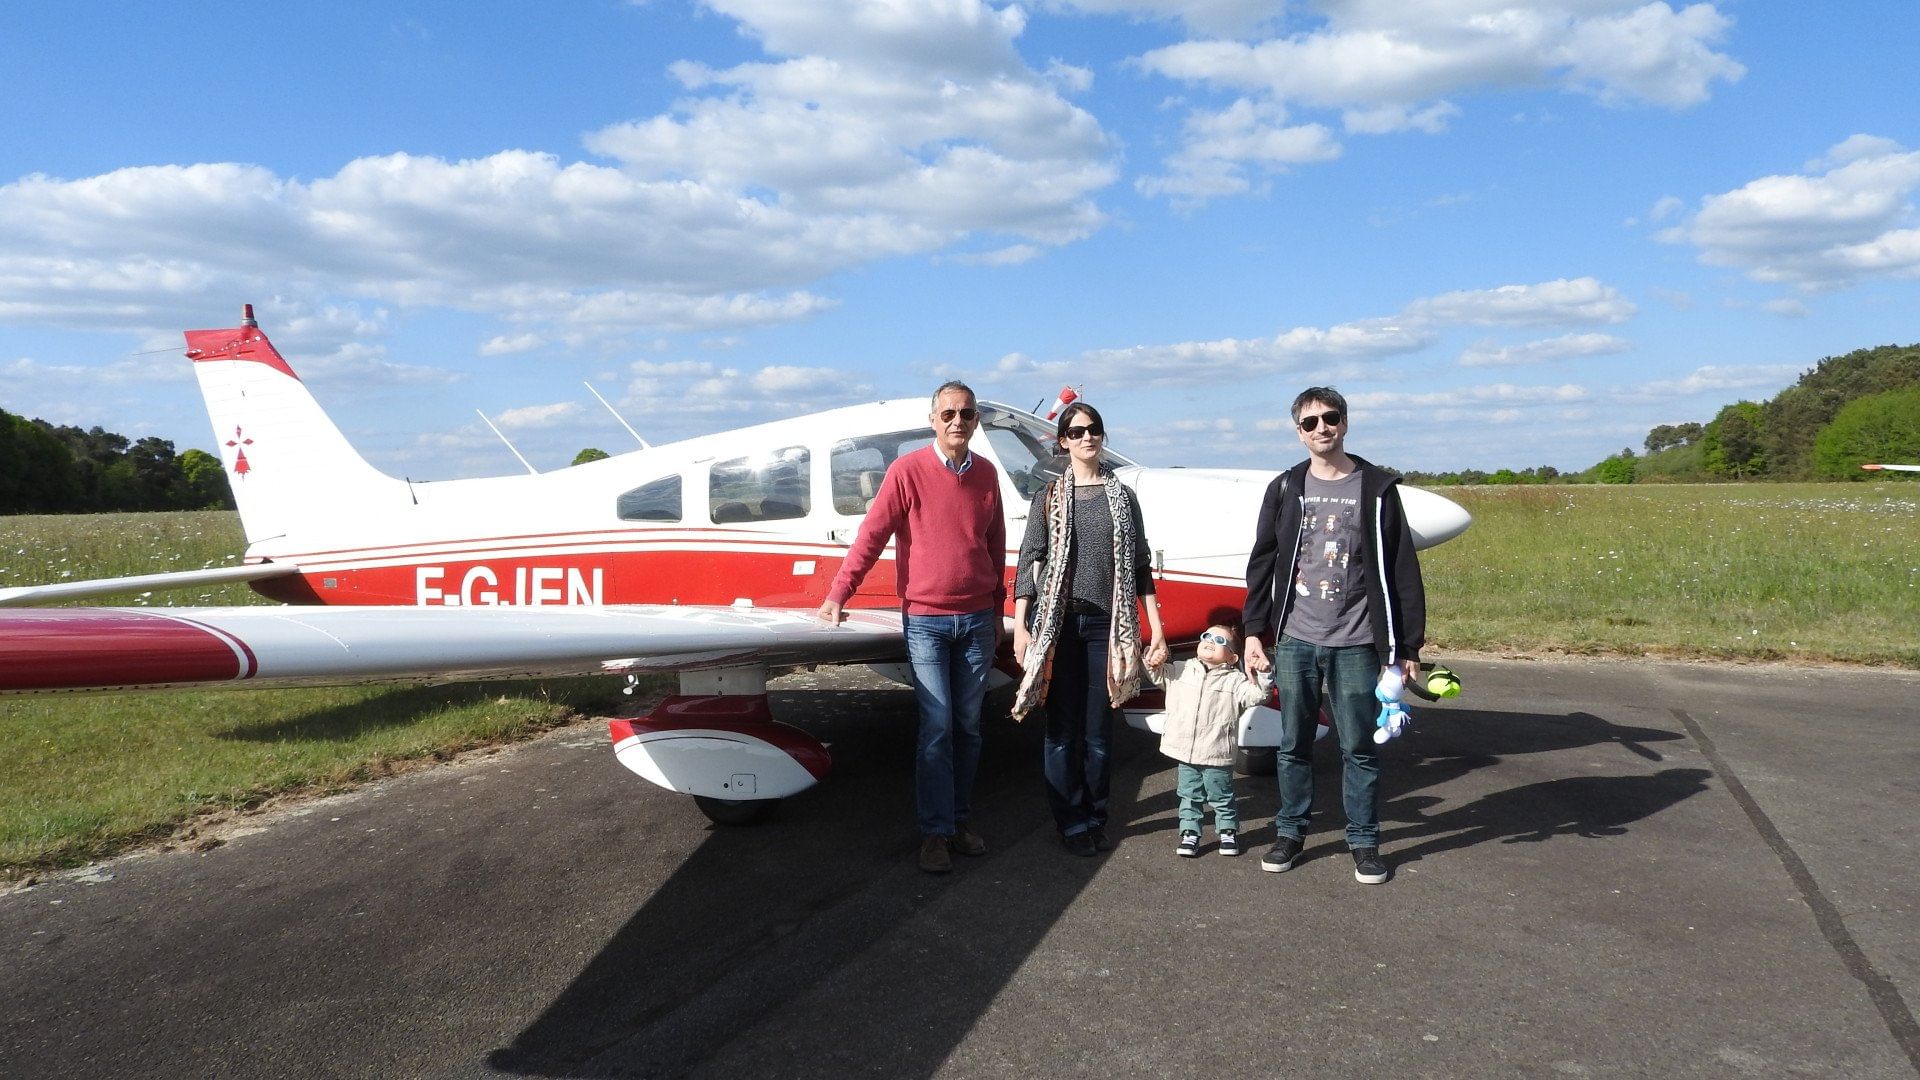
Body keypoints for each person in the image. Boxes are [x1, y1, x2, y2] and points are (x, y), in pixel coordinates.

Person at [819, 381, 1006, 874]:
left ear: (976, 420)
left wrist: (997, 608)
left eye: (966, 414)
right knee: (937, 728)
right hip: (925, 621)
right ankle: (935, 832)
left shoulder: (986, 475)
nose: (957, 422)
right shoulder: (907, 471)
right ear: (933, 418)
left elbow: (995, 544)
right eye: (948, 413)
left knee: (968, 728)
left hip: (977, 622)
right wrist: (840, 592)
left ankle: (958, 822)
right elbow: (872, 535)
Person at [1242, 387, 1426, 885]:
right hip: (1296, 638)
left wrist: (1407, 647)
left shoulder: (1378, 489)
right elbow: (1262, 561)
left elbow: (1401, 568)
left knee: (1359, 747)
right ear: (1298, 431)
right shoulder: (1285, 488)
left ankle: (1364, 841)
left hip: (1358, 640)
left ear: (1345, 422)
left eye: (1330, 417)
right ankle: (1290, 832)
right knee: (1292, 743)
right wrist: (1254, 630)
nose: (1322, 428)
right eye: (1310, 422)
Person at [1011, 402, 1166, 856]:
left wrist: (1154, 629)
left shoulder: (1123, 498)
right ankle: (1070, 819)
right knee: (1061, 728)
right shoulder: (1050, 496)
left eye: (1093, 430)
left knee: (1099, 730)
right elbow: (1029, 558)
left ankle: (1096, 815)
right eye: (1076, 432)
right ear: (1063, 441)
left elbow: (1140, 566)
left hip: (1106, 625)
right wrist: (1021, 626)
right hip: (1059, 624)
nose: (1086, 438)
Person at [1146, 622, 1266, 858]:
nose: (1211, 641)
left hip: (1217, 753)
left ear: (1232, 658)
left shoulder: (1236, 681)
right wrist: (1153, 658)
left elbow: (1258, 695)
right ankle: (1190, 833)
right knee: (1188, 796)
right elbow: (1155, 673)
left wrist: (1262, 673)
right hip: (1185, 753)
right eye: (1207, 636)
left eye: (1220, 641)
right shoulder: (1180, 669)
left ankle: (1228, 832)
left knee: (1222, 796)